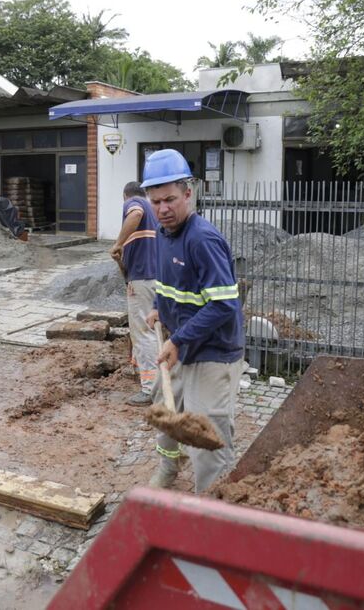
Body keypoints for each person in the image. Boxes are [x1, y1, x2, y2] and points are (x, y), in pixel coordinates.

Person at [140, 149, 246, 493]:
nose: (162, 209)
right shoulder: (162, 233)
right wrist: (159, 305)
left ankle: (212, 505)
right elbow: (168, 283)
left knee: (207, 432)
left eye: (170, 199)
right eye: (155, 201)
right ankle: (169, 468)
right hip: (181, 345)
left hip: (213, 352)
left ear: (189, 193)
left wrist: (178, 340)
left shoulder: (203, 239)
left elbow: (224, 306)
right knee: (165, 412)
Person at [109, 181, 159, 406]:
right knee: (154, 331)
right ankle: (158, 378)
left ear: (125, 196)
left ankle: (150, 389)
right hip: (153, 277)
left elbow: (135, 212)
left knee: (143, 333)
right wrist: (122, 257)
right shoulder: (154, 212)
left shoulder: (135, 203)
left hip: (143, 279)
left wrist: (118, 243)